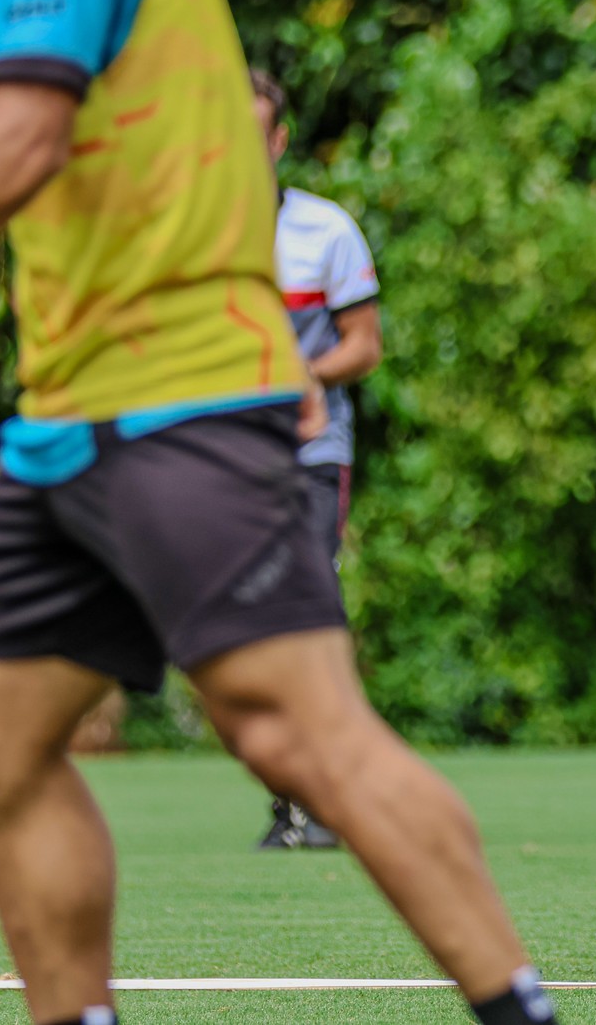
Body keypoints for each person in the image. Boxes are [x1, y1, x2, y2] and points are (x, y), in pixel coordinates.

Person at [0, 0, 557, 1022]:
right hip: (75, 409)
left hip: (182, 391)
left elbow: (22, 139)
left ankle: (519, 1008)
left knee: (296, 732)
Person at [250, 69, 384, 851]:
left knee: (307, 612)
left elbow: (363, 345)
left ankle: (330, 794)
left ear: (279, 139)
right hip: (223, 455)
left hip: (308, 450)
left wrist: (304, 375)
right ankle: (293, 796)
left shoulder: (323, 231)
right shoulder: (187, 230)